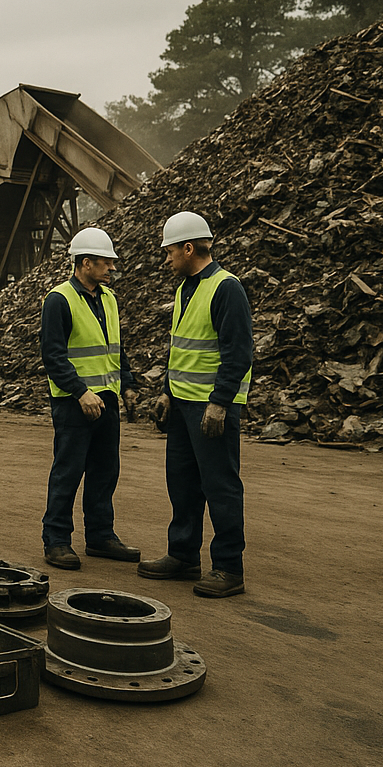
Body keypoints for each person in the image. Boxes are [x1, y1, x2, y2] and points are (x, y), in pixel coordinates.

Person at [140, 211, 253, 598]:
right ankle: (184, 555)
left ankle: (228, 568)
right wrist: (168, 394)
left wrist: (220, 403)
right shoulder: (185, 287)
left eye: (169, 250)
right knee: (183, 484)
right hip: (184, 405)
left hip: (212, 409)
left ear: (189, 248)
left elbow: (238, 353)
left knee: (220, 486)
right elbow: (182, 350)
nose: (166, 258)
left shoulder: (226, 288)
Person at [39, 228, 140, 570]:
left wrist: (127, 384)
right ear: (85, 263)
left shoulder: (109, 298)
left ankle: (100, 536)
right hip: (74, 402)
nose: (112, 268)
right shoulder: (59, 300)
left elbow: (116, 347)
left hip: (107, 400)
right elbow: (53, 356)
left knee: (105, 471)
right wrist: (81, 392)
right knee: (68, 471)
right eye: (106, 262)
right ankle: (56, 540)